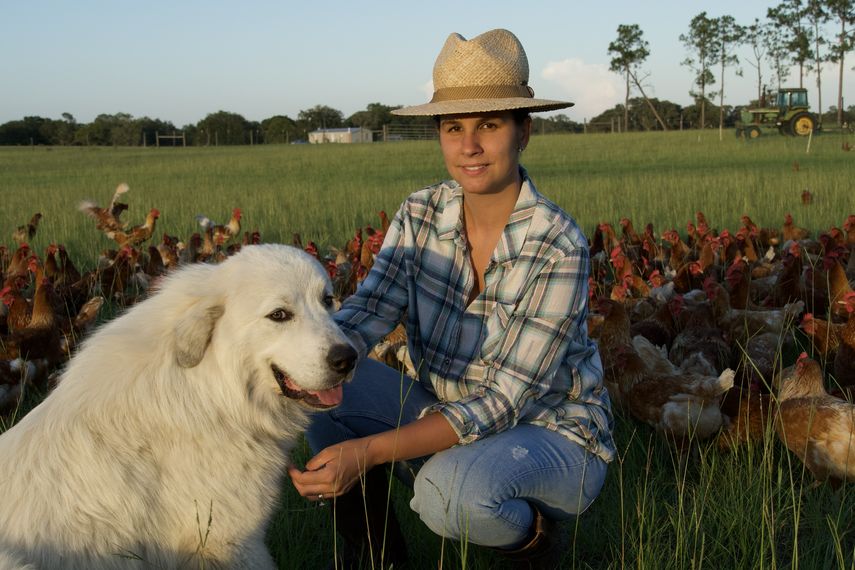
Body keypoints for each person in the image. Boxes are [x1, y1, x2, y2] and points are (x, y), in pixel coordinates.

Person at [288, 28, 615, 569]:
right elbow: (366, 314)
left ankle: (533, 544)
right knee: (327, 397)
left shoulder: (559, 245)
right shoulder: (420, 214)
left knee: (444, 496)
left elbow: (505, 400)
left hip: (550, 432)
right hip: (445, 410)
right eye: (452, 127)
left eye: (488, 125)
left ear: (523, 131)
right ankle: (376, 560)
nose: (469, 146)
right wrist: (293, 364)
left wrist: (365, 454)